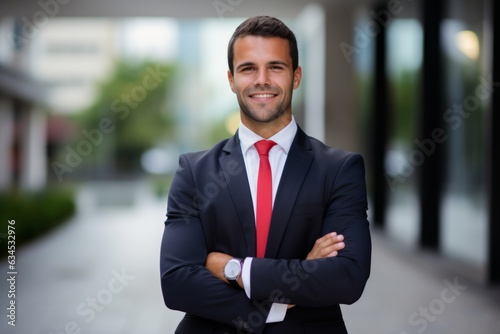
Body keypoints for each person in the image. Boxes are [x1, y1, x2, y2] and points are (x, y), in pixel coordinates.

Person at [160, 15, 371, 334]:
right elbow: (177, 282)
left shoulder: (339, 169)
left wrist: (235, 269)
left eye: (275, 67)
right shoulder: (195, 171)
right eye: (248, 68)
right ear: (231, 80)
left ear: (296, 76)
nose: (262, 80)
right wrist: (288, 290)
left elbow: (347, 277)